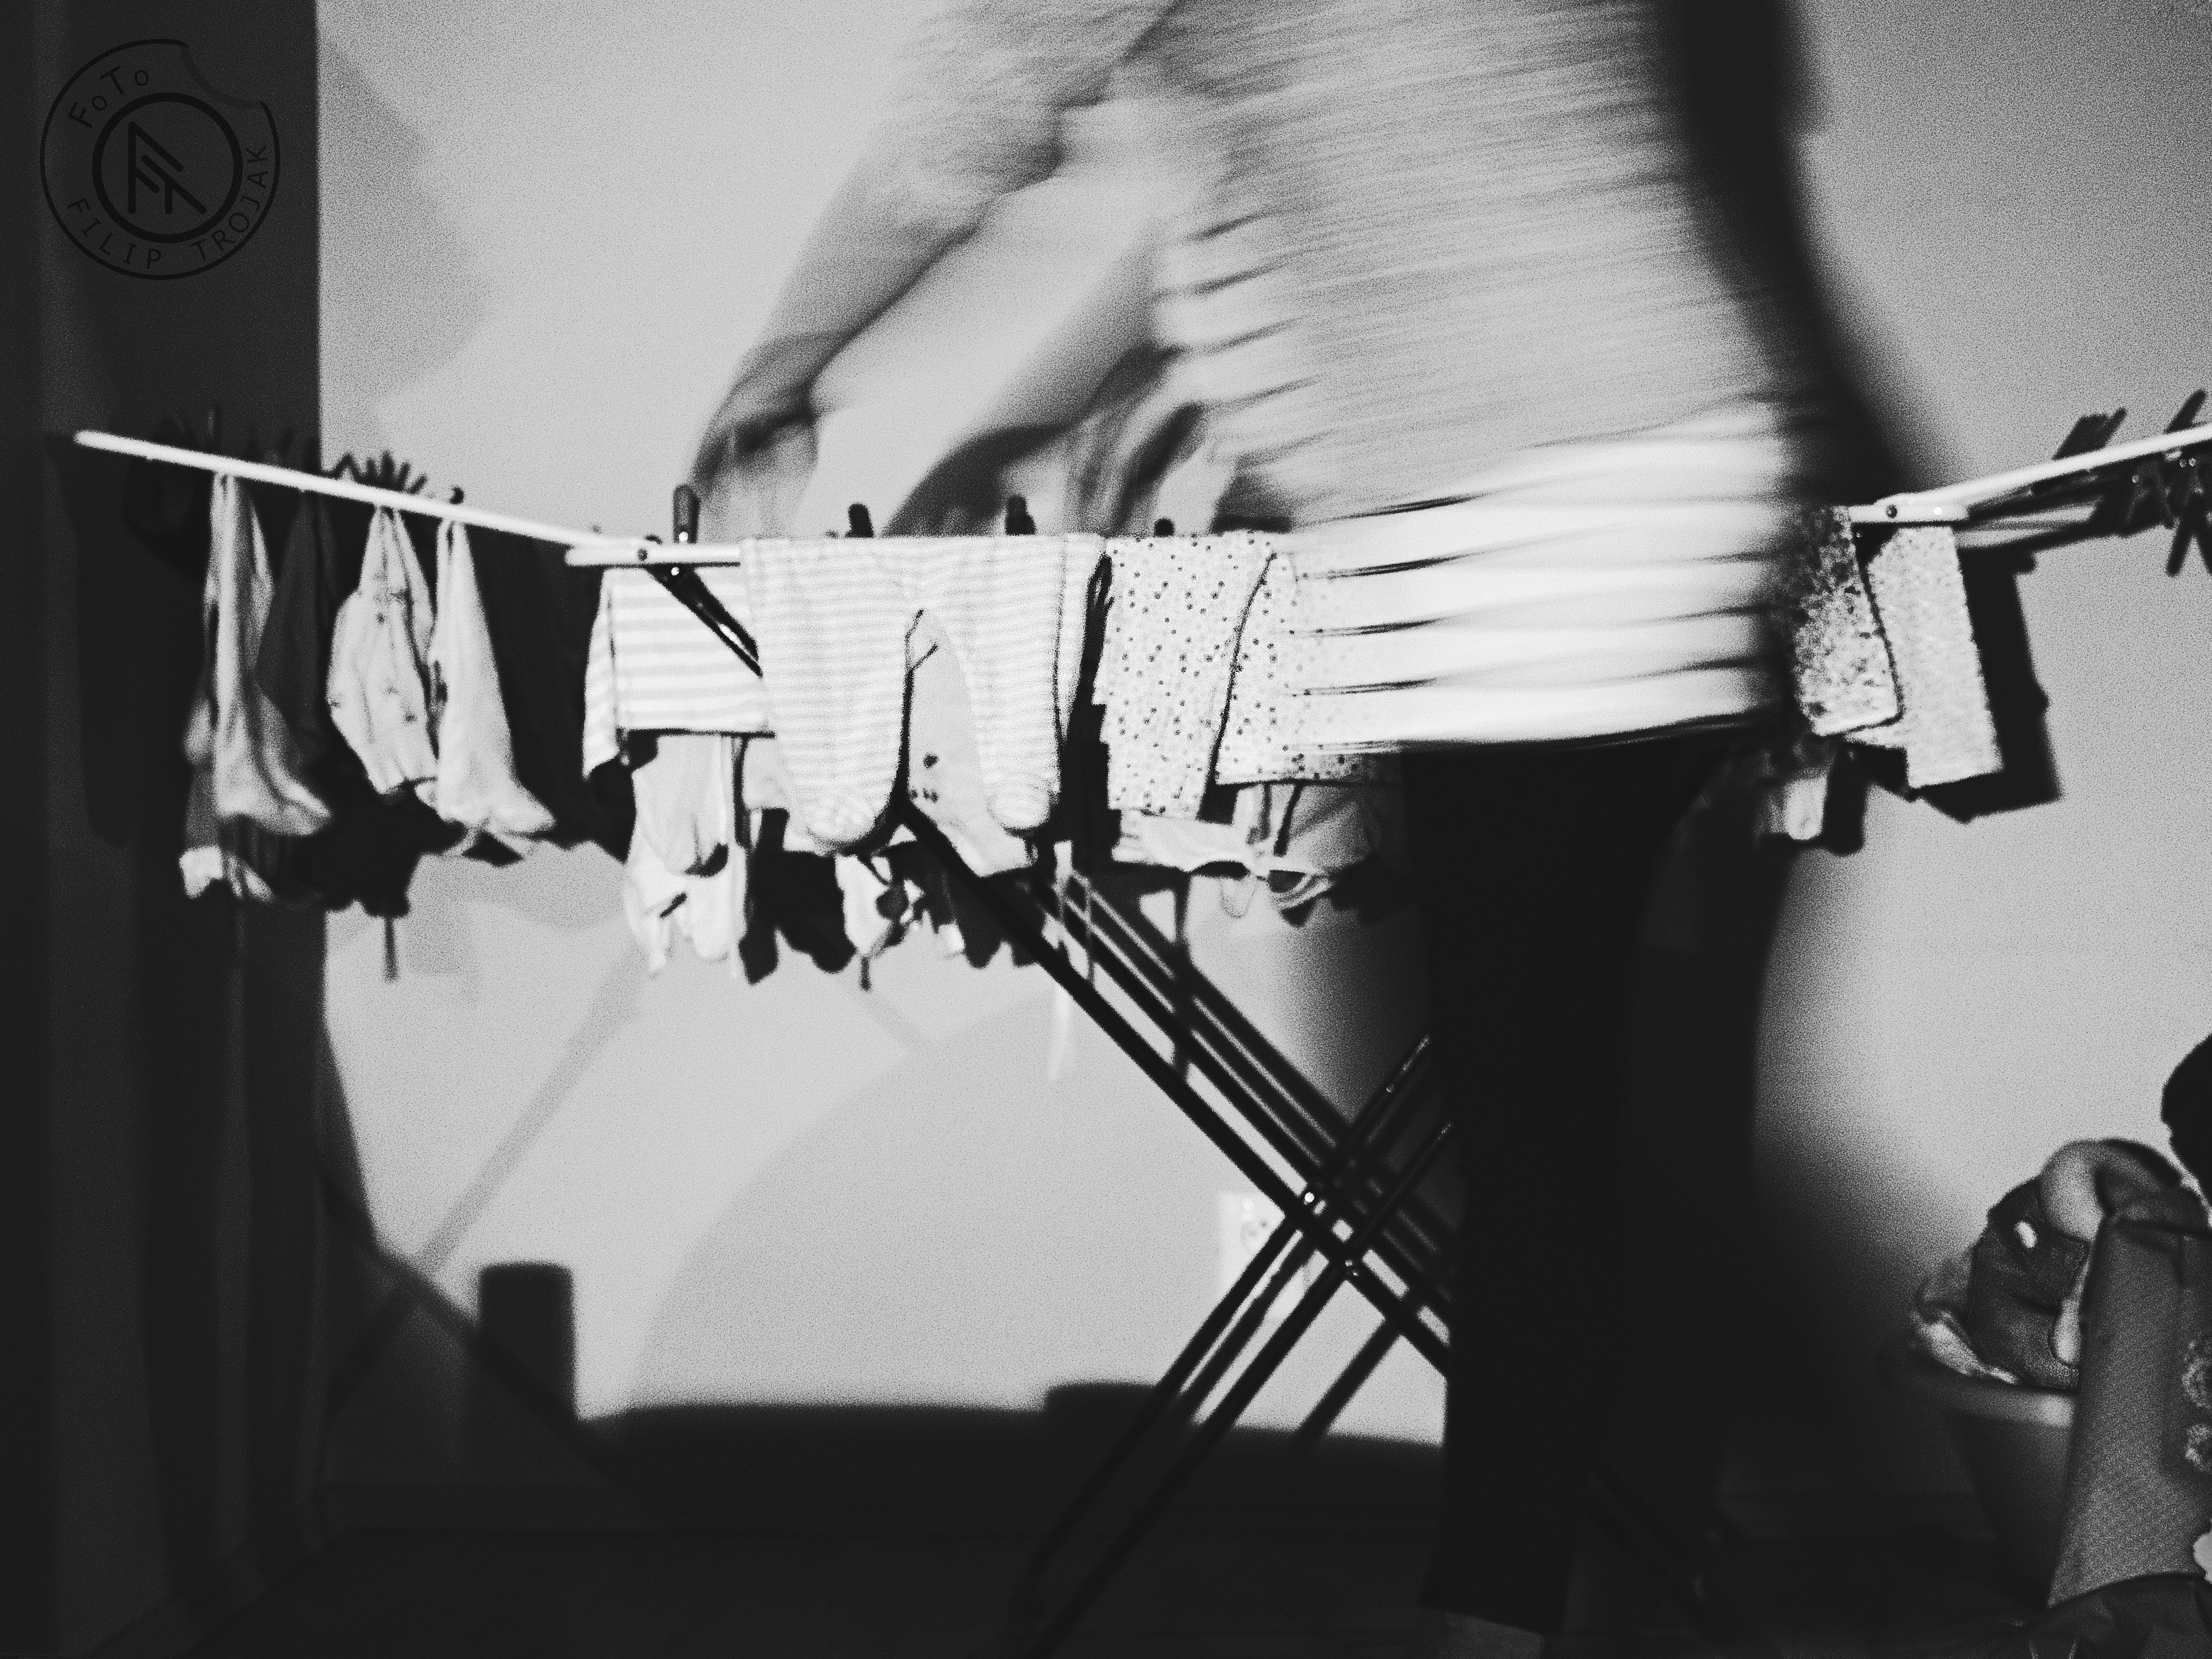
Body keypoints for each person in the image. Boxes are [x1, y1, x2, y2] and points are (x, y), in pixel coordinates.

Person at [690, 2, 1896, 1653]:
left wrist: (781, 365)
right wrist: (1050, 409)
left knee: (1530, 1128)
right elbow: (1309, 170)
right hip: (1646, 474)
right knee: (1556, 1113)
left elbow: (964, 130)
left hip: (1526, 504)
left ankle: (1520, 1612)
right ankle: (1554, 1588)